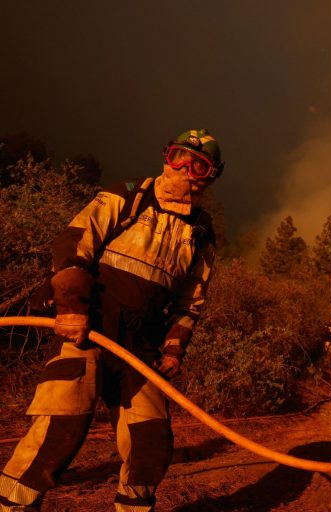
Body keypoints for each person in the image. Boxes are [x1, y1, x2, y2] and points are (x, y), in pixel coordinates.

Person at [0, 129, 223, 512]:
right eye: (177, 157)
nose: (184, 169)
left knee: (150, 442)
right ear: (165, 157)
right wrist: (71, 307)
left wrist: (173, 348)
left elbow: (191, 302)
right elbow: (73, 243)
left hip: (142, 348)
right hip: (87, 330)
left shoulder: (201, 233)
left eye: (196, 164)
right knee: (60, 429)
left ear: (210, 174)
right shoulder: (128, 196)